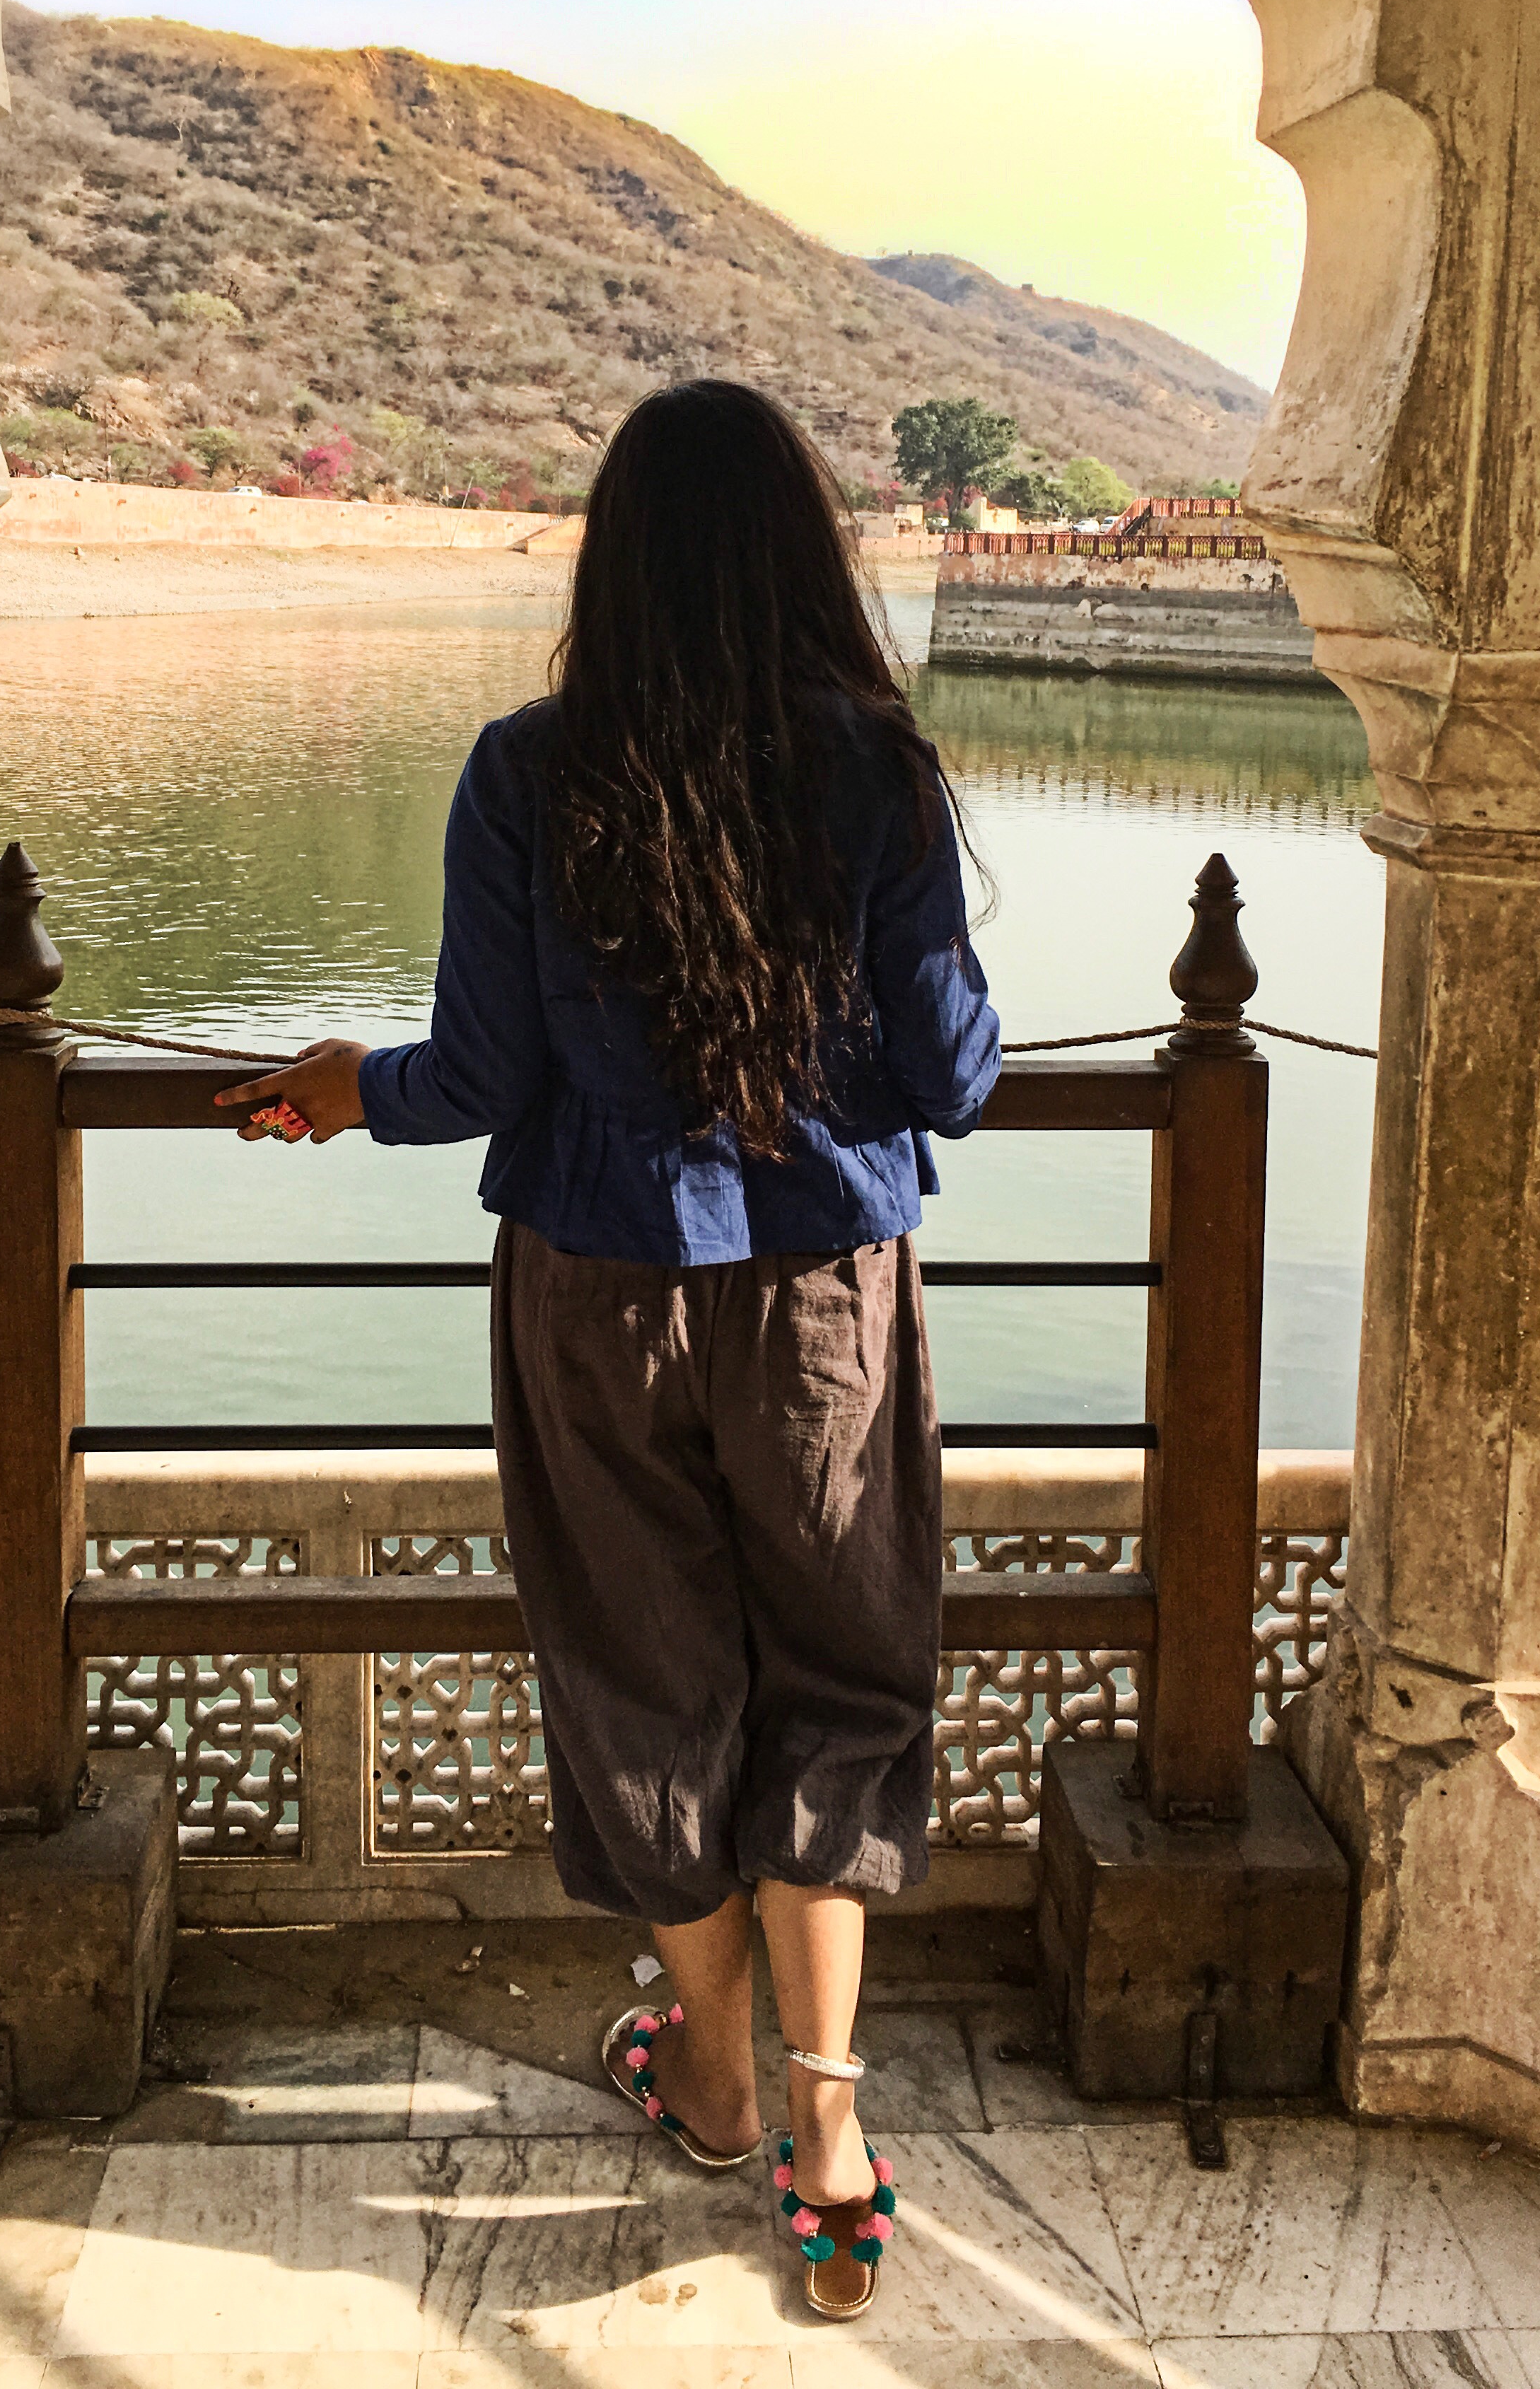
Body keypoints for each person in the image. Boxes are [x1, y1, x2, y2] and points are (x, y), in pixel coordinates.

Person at [216, 380, 999, 2320]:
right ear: (804, 554)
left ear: (615, 561)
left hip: (597, 1294)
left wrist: (348, 1088)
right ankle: (831, 2145)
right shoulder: (875, 771)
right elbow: (956, 1078)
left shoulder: (528, 770)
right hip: (823, 1304)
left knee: (646, 1684)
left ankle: (710, 2079)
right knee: (840, 1680)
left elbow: (479, 1075)